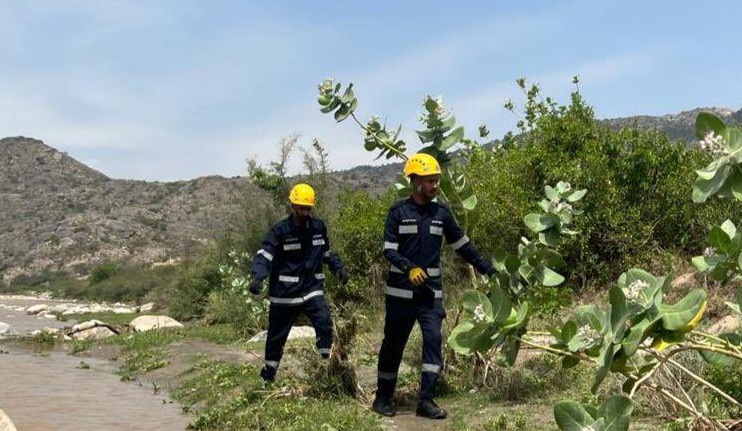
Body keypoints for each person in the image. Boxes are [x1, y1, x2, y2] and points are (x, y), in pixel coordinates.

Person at [372, 153, 495, 419]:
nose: (435, 186)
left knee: (433, 343)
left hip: (430, 296)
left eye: (437, 181)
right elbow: (389, 250)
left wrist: (489, 270)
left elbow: (463, 246)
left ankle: (426, 400)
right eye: (430, 182)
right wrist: (410, 268)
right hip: (400, 296)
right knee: (393, 346)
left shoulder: (441, 214)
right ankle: (382, 399)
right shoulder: (398, 212)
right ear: (416, 182)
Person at [248, 183, 348, 383]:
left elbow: (326, 252)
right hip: (285, 294)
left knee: (324, 322)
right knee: (276, 338)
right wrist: (257, 277)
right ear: (293, 206)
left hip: (311, 289)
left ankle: (324, 366)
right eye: (302, 208)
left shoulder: (319, 227)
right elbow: (264, 255)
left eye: (308, 208)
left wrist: (338, 267)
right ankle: (268, 376)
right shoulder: (280, 231)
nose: (305, 212)